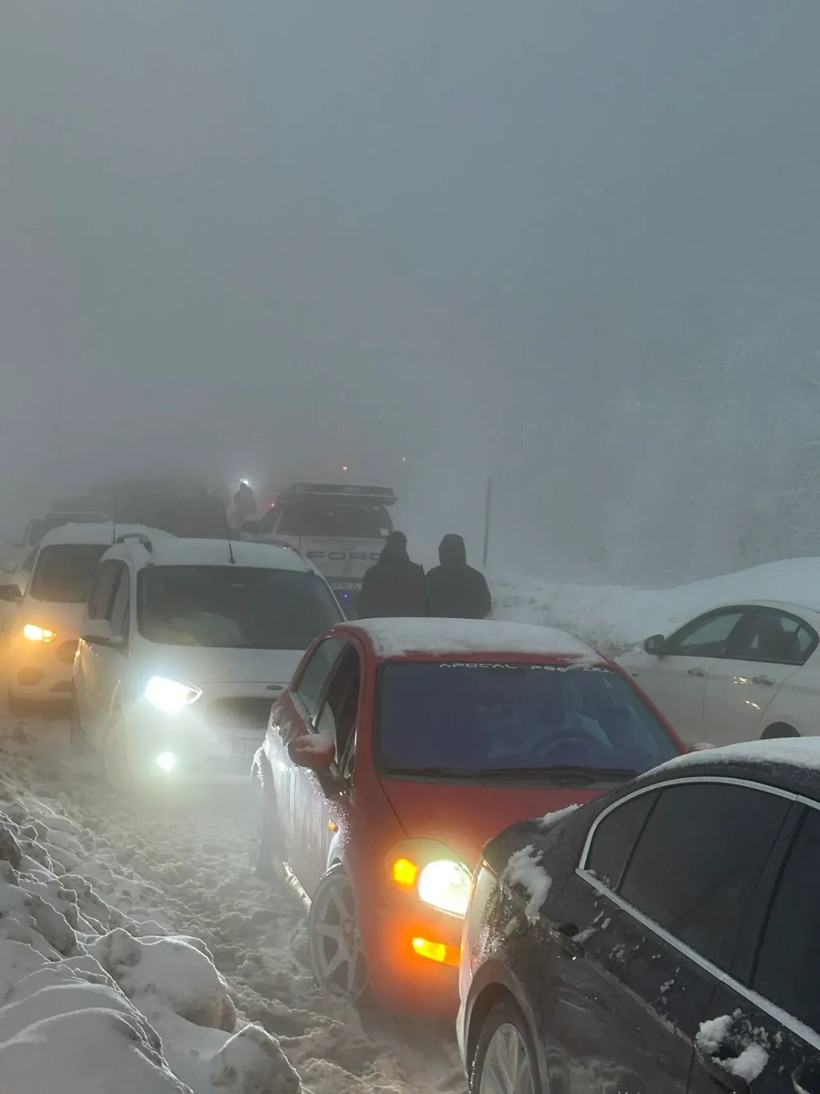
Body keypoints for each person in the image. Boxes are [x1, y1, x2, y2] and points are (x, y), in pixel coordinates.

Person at [358, 532, 427, 618]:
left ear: (387, 545)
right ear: (404, 546)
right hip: (408, 626)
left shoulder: (373, 573)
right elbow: (422, 606)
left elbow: (364, 607)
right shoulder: (416, 571)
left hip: (378, 627)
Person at [425, 534, 492, 619]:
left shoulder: (432, 576)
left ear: (441, 553)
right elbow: (485, 607)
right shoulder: (476, 578)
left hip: (437, 629)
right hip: (469, 630)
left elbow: (423, 605)